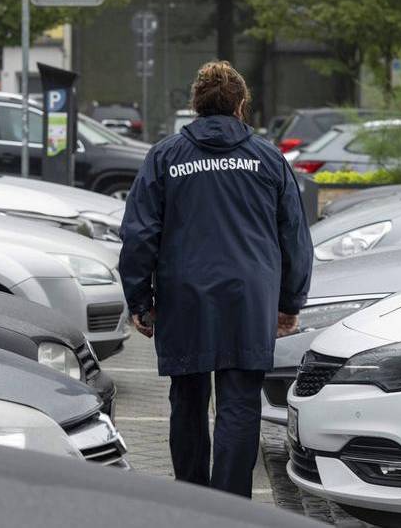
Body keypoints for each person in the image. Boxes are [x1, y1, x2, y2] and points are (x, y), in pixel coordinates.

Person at [119, 61, 312, 498]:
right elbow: (294, 236)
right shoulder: (268, 160)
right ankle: (230, 509)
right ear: (241, 105)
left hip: (184, 298)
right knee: (240, 406)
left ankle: (191, 501)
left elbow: (138, 234)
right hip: (248, 300)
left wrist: (140, 300)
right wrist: (289, 302)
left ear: (195, 106)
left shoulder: (165, 157)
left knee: (186, 401)